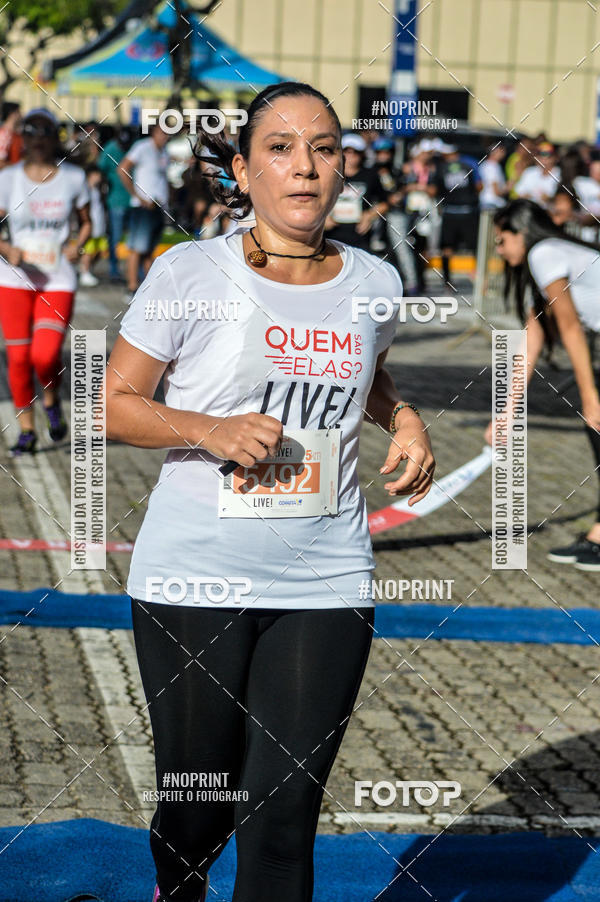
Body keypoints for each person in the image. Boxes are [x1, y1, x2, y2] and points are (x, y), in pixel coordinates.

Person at [105, 81, 435, 902]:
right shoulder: (189, 270)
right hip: (194, 573)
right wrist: (208, 430)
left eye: (323, 149)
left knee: (283, 819)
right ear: (244, 173)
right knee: (198, 804)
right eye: (280, 149)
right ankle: (175, 886)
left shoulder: (374, 282)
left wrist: (405, 417)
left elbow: (365, 375)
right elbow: (111, 403)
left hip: (325, 575)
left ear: (343, 166)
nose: (304, 167)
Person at [487, 198, 600, 570]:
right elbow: (531, 341)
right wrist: (506, 414)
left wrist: (589, 395)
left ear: (521, 233)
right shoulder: (545, 260)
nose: (499, 250)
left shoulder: (545, 253)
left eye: (502, 240)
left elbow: (568, 326)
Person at [0, 108, 91, 455]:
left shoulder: (73, 178)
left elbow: (86, 222)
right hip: (13, 278)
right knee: (19, 359)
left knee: (45, 354)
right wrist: (7, 248)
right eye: (32, 136)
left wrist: (76, 245)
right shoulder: (7, 179)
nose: (38, 143)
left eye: (45, 136)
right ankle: (27, 431)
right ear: (24, 140)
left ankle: (51, 399)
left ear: (55, 139)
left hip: (57, 279)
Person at [117, 121, 170, 297]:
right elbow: (123, 169)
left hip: (158, 206)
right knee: (137, 249)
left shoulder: (164, 152)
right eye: (162, 132)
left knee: (148, 251)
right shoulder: (142, 147)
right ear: (154, 132)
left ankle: (148, 289)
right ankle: (131, 288)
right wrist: (137, 195)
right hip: (143, 206)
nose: (165, 136)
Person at [324, 133, 388, 251]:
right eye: (347, 151)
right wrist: (322, 218)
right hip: (330, 237)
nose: (351, 155)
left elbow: (385, 203)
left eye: (356, 152)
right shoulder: (328, 174)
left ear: (362, 154)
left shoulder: (371, 175)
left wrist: (370, 215)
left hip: (360, 238)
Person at [434, 143, 482, 288]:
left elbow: (434, 190)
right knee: (474, 247)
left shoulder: (441, 168)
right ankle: (479, 278)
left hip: (451, 212)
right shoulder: (470, 164)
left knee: (448, 247)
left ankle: (447, 281)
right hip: (467, 211)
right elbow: (479, 186)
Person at [98, 126, 134, 282]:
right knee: (116, 237)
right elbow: (99, 171)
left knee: (134, 239)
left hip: (133, 201)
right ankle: (114, 269)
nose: (124, 147)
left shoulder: (135, 147)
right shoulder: (110, 149)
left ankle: (135, 271)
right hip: (115, 200)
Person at [79, 164, 108, 287]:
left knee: (101, 251)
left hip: (100, 224)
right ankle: (84, 272)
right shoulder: (85, 190)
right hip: (91, 225)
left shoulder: (98, 189)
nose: (99, 177)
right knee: (88, 251)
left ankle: (88, 269)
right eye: (96, 174)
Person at [513, 141, 560, 208]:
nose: (544, 159)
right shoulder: (529, 172)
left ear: (555, 158)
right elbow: (519, 194)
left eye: (548, 156)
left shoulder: (560, 174)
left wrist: (549, 199)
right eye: (540, 155)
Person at [479, 143, 508, 210]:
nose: (503, 154)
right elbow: (496, 191)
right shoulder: (492, 167)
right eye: (501, 151)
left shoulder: (485, 164)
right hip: (492, 203)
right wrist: (507, 188)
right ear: (494, 152)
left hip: (485, 201)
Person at [0, 102, 23, 169]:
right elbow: (0, 163)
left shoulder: (17, 134)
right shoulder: (4, 135)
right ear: (11, 114)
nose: (21, 115)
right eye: (18, 112)